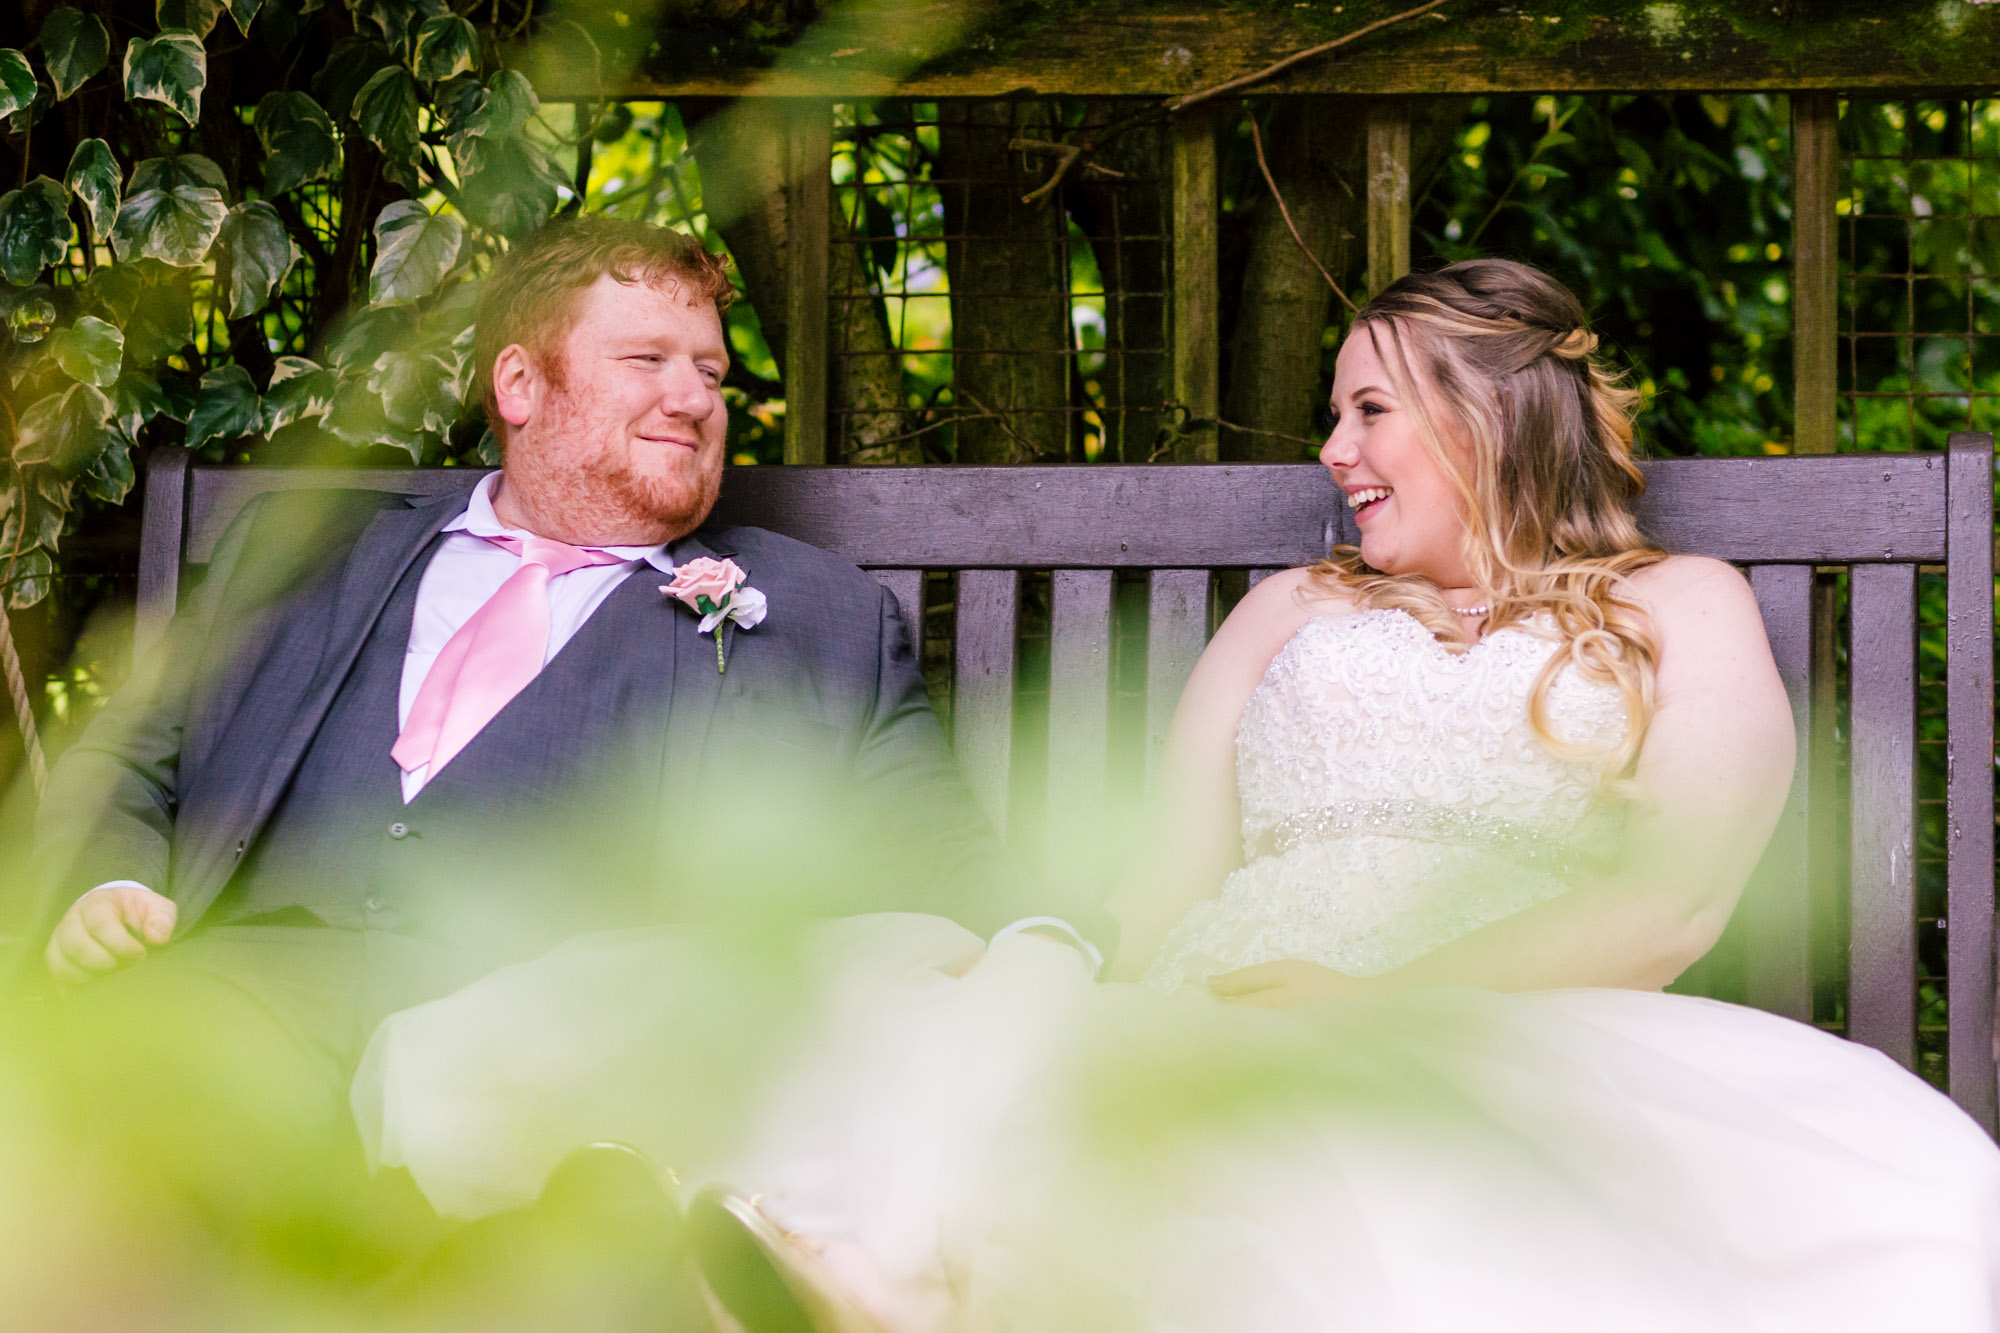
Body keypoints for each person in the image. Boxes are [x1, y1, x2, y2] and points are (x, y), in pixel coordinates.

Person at [355, 258, 2000, 1331]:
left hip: (1500, 1010)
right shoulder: (1291, 610)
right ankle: (832, 1272)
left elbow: (1677, 902)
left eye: (1369, 408)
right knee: (968, 1041)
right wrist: (1057, 988)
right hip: (1212, 998)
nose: (1333, 449)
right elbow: (1156, 888)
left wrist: (1375, 994)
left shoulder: (1679, 608)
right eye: (1334, 412)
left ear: (1492, 411)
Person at [25, 216, 1083, 1277]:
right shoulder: (302, 553)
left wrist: (1052, 949)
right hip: (247, 998)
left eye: (710, 372)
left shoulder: (818, 614)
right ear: (520, 385)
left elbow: (944, 865)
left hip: (557, 1058)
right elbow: (131, 755)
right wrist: (101, 884)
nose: (695, 397)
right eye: (647, 361)